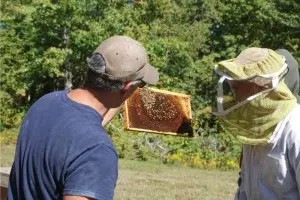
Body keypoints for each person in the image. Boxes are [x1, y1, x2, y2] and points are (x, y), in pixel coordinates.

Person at [8, 35, 159, 200]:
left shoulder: (44, 104)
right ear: (129, 87)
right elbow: (87, 143)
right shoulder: (97, 150)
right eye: (141, 85)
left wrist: (122, 97)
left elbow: (82, 132)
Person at [211, 47, 300, 199]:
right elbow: (246, 188)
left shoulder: (295, 128)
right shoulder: (254, 127)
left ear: (262, 84)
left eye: (239, 79)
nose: (233, 86)